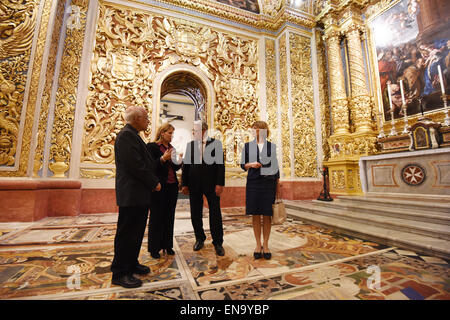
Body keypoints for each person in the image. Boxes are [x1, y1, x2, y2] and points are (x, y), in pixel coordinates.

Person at [111, 106, 161, 288]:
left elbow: (144, 162)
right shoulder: (126, 136)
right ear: (137, 118)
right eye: (146, 118)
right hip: (131, 193)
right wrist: (154, 182)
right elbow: (136, 166)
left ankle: (131, 263)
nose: (148, 121)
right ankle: (120, 273)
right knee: (127, 233)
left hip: (138, 193)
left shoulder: (134, 135)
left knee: (136, 232)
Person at [181, 121, 226, 256]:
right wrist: (184, 184)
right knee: (195, 212)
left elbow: (220, 166)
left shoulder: (216, 144)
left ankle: (218, 242)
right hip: (194, 184)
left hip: (212, 184)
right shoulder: (191, 145)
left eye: (196, 130)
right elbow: (186, 166)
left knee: (215, 213)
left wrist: (220, 184)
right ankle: (199, 238)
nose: (194, 133)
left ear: (204, 130)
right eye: (193, 130)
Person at [240, 121, 280, 260]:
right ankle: (258, 245)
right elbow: (242, 165)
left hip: (269, 183)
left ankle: (266, 244)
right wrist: (251, 164)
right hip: (253, 182)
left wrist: (278, 185)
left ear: (263, 130)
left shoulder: (271, 146)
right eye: (253, 128)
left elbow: (276, 165)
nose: (253, 130)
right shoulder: (248, 146)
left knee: (267, 215)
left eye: (256, 128)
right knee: (256, 214)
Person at [146, 123, 182, 258]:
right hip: (159, 187)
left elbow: (175, 168)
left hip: (172, 187)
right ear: (162, 133)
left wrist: (180, 161)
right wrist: (162, 159)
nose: (172, 136)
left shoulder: (172, 148)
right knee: (156, 217)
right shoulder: (152, 147)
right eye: (169, 133)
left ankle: (168, 245)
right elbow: (149, 166)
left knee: (169, 216)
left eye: (173, 133)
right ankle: (154, 248)